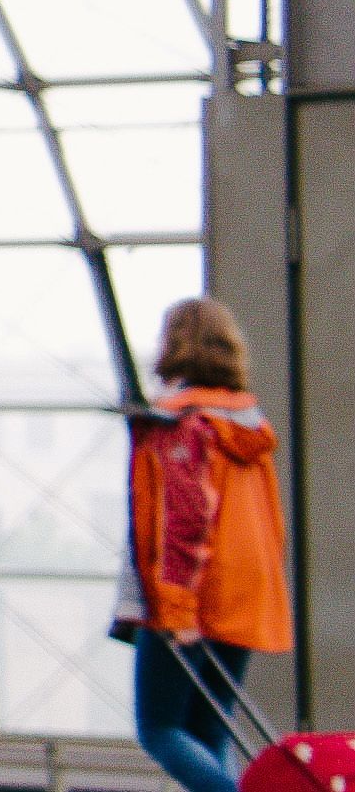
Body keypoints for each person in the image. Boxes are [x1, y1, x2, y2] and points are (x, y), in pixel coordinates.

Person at [127, 297, 288, 792]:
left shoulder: (182, 425)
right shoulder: (246, 424)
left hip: (192, 599)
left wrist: (176, 609)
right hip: (245, 595)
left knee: (160, 729)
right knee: (208, 732)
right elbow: (271, 521)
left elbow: (185, 520)